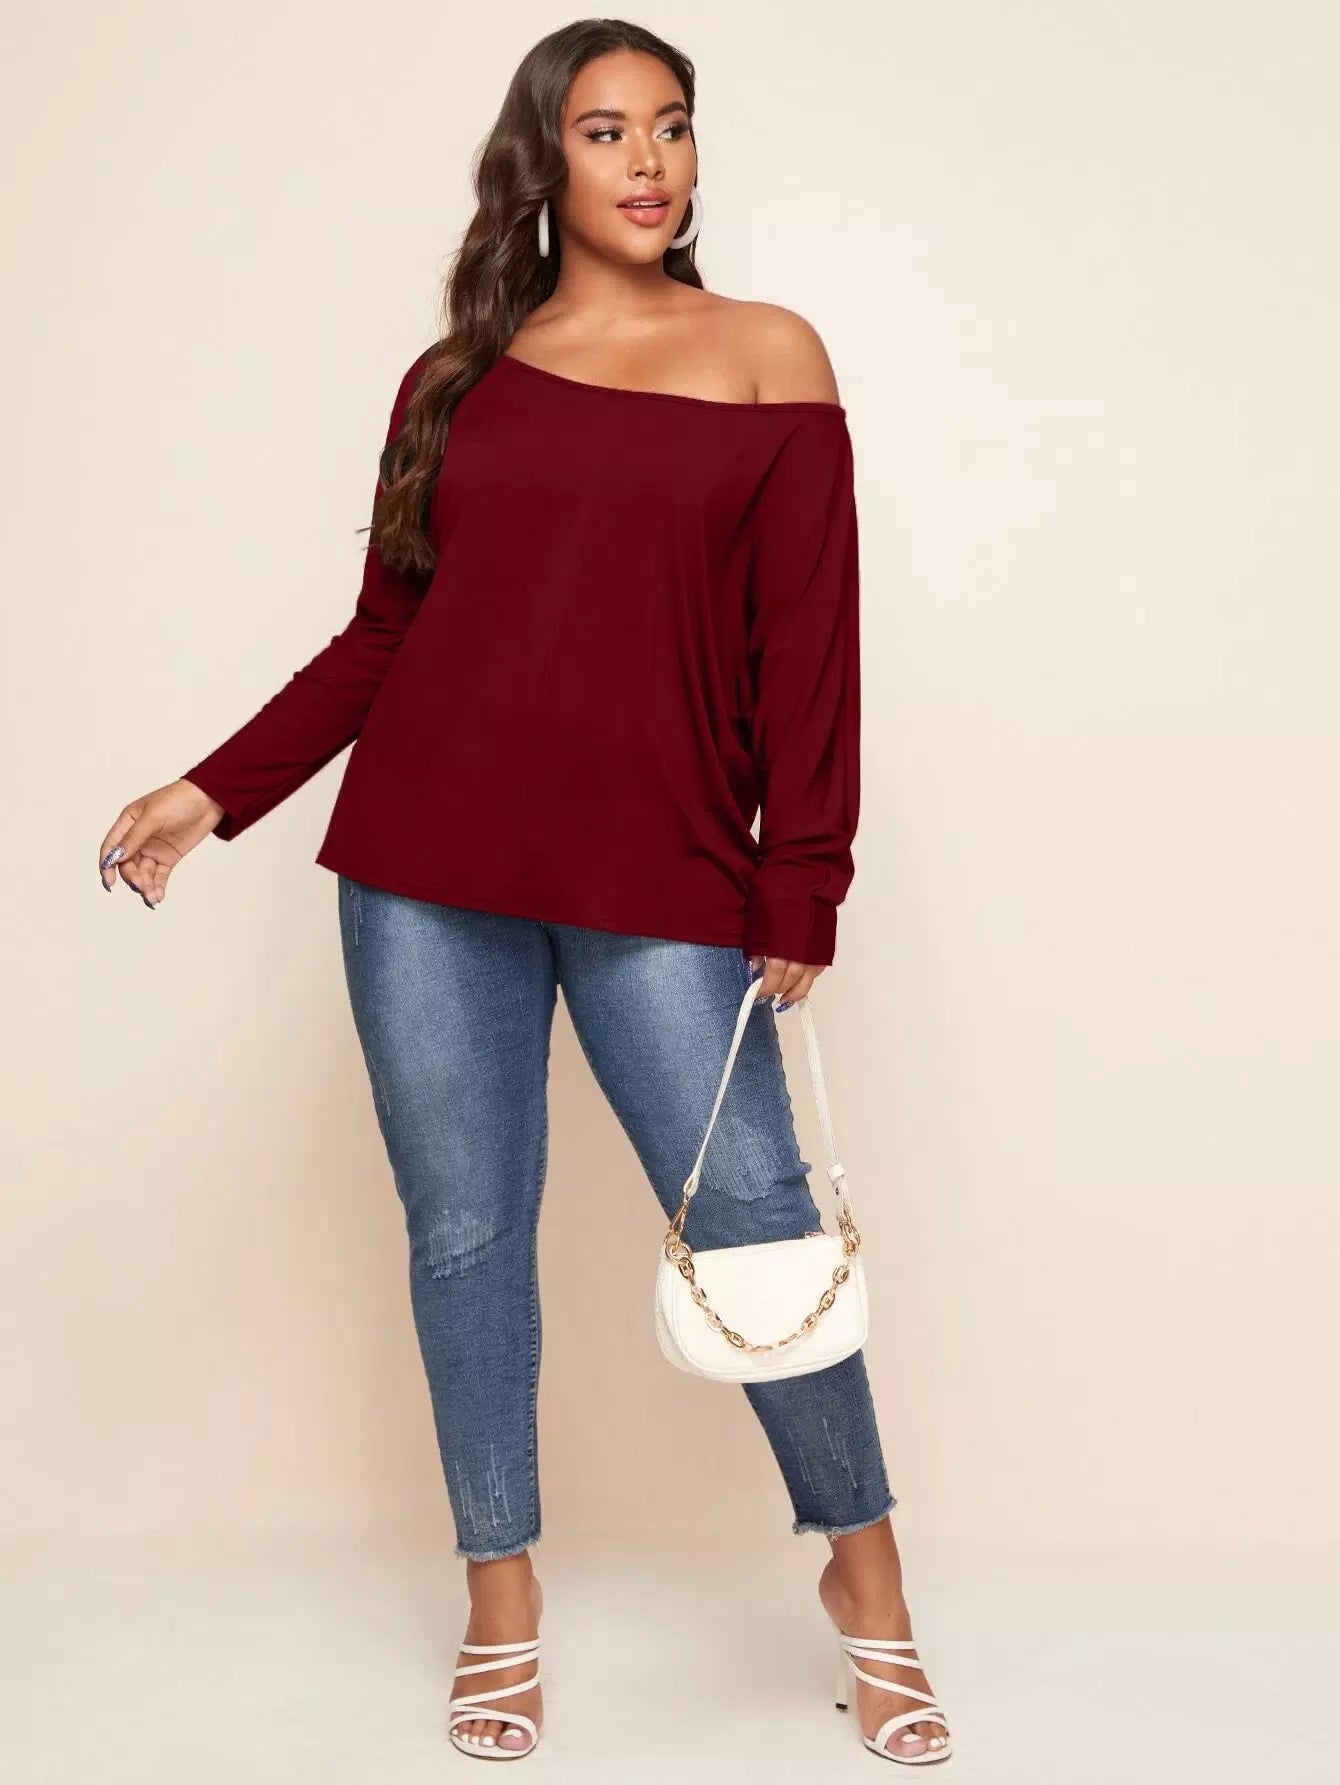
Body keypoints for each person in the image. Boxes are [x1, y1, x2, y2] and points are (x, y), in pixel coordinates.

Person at [96, 19, 952, 1769]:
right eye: (607, 130)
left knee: (757, 1221)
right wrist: (214, 790)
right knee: (466, 1237)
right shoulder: (456, 379)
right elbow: (386, 636)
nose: (649, 162)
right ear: (542, 162)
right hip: (424, 875)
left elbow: (813, 646)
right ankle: (501, 1598)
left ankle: (866, 1578)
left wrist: (804, 876)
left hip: (665, 874)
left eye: (673, 127)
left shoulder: (768, 356)